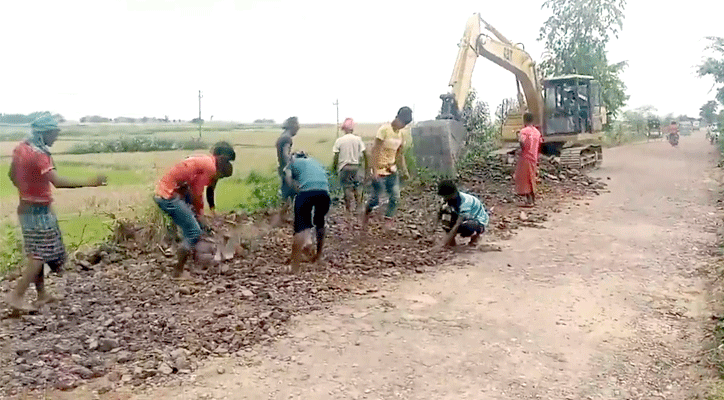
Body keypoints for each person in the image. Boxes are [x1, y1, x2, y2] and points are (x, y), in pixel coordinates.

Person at [6, 113, 107, 312]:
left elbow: (11, 175)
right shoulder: (39, 154)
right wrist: (91, 182)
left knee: (39, 251)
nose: (57, 137)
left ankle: (41, 294)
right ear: (46, 132)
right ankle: (16, 296)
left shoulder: (22, 148)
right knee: (39, 254)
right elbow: (57, 181)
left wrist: (27, 190)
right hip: (39, 210)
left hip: (25, 206)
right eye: (55, 133)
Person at [154, 142, 236, 277]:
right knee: (194, 232)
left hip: (168, 191)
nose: (217, 180)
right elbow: (197, 193)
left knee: (199, 226)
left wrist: (203, 215)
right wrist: (201, 214)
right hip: (167, 195)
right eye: (220, 177)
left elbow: (199, 189)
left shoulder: (208, 162)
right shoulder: (210, 168)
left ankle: (194, 255)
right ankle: (178, 271)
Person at [363, 106, 413, 229]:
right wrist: (373, 170)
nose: (403, 126)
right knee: (375, 199)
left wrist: (404, 170)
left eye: (405, 124)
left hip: (391, 170)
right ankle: (367, 211)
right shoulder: (384, 130)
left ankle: (388, 219)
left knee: (395, 196)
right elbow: (375, 151)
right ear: (398, 118)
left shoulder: (401, 135)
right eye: (403, 122)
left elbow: (399, 155)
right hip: (379, 170)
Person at [284, 151, 331, 273]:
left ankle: (294, 265)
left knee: (301, 227)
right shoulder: (315, 161)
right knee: (320, 222)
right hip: (324, 192)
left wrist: (295, 192)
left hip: (306, 192)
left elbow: (288, 180)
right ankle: (318, 256)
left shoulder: (291, 163)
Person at [332, 117, 369, 215]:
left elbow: (336, 156)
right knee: (357, 187)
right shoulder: (358, 139)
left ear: (344, 129)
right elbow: (365, 154)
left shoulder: (339, 140)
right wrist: (366, 168)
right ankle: (359, 208)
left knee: (347, 188)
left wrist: (334, 168)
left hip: (344, 167)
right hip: (355, 166)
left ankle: (348, 210)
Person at [436, 180, 489, 248]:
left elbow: (457, 224)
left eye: (445, 196)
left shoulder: (466, 203)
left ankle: (476, 237)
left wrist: (445, 243)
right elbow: (439, 214)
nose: (444, 198)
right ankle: (452, 242)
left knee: (468, 226)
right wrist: (432, 232)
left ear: (452, 194)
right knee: (446, 214)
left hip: (478, 220)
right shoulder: (447, 200)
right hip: (462, 216)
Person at [514, 112, 542, 207]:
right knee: (531, 178)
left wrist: (519, 141)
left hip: (525, 157)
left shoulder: (524, 131)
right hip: (534, 158)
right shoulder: (537, 132)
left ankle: (529, 201)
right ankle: (533, 199)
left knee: (525, 179)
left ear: (524, 120)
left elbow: (522, 142)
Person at [275, 117, 300, 223]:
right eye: (297, 127)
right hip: (287, 170)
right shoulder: (287, 139)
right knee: (293, 192)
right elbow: (285, 156)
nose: (297, 130)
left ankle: (282, 217)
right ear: (293, 127)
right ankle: (281, 218)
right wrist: (294, 159)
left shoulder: (282, 137)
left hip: (283, 168)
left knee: (288, 194)